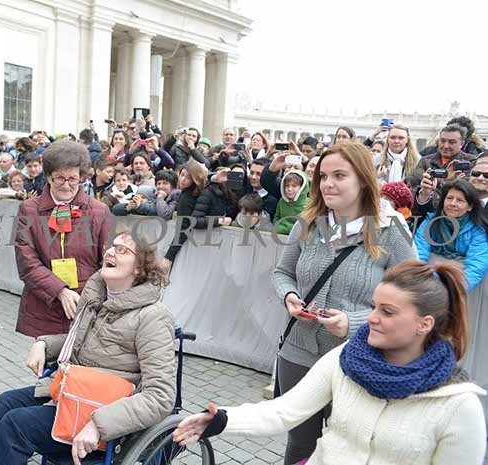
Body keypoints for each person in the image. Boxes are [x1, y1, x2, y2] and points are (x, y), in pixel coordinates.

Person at [174, 260, 487, 465]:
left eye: (387, 312)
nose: (371, 318)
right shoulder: (346, 357)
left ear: (424, 324)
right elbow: (284, 411)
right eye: (374, 306)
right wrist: (221, 420)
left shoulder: (458, 406)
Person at [270, 141, 418, 464]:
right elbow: (282, 273)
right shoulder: (307, 223)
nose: (327, 184)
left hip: (358, 358)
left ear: (363, 180)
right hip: (297, 353)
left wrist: (353, 322)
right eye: (323, 176)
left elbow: (412, 300)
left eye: (339, 175)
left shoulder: (391, 231)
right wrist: (289, 296)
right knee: (300, 443)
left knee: (347, 448)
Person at [0, 230, 175, 465]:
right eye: (111, 246)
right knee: (6, 402)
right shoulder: (97, 296)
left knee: (16, 425)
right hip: (73, 391)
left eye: (122, 250)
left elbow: (160, 397)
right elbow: (79, 341)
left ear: (139, 268)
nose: (110, 252)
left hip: (104, 411)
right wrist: (43, 343)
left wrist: (100, 423)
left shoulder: (152, 316)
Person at [14, 139, 112, 337]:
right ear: (49, 177)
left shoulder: (99, 210)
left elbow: (108, 262)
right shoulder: (29, 210)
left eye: (72, 179)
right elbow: (27, 263)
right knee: (46, 355)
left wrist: (90, 298)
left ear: (81, 178)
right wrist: (60, 290)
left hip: (86, 307)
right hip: (44, 307)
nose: (66, 185)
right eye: (59, 178)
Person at [414, 180, 488, 292]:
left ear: (470, 206)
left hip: (461, 284)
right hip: (429, 279)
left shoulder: (477, 230)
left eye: (460, 200)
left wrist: (453, 291)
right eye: (449, 198)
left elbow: (476, 266)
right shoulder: (431, 221)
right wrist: (422, 281)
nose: (453, 203)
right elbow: (419, 253)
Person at [161, 161, 208, 269]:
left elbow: (184, 227)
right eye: (182, 175)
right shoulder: (194, 193)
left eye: (188, 177)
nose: (183, 179)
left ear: (195, 179)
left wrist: (169, 256)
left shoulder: (187, 197)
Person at [273, 170, 309, 235]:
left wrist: (287, 229)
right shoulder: (282, 201)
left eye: (294, 186)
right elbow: (277, 217)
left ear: (302, 188)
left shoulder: (308, 204)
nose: (289, 189)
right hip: (279, 233)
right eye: (287, 186)